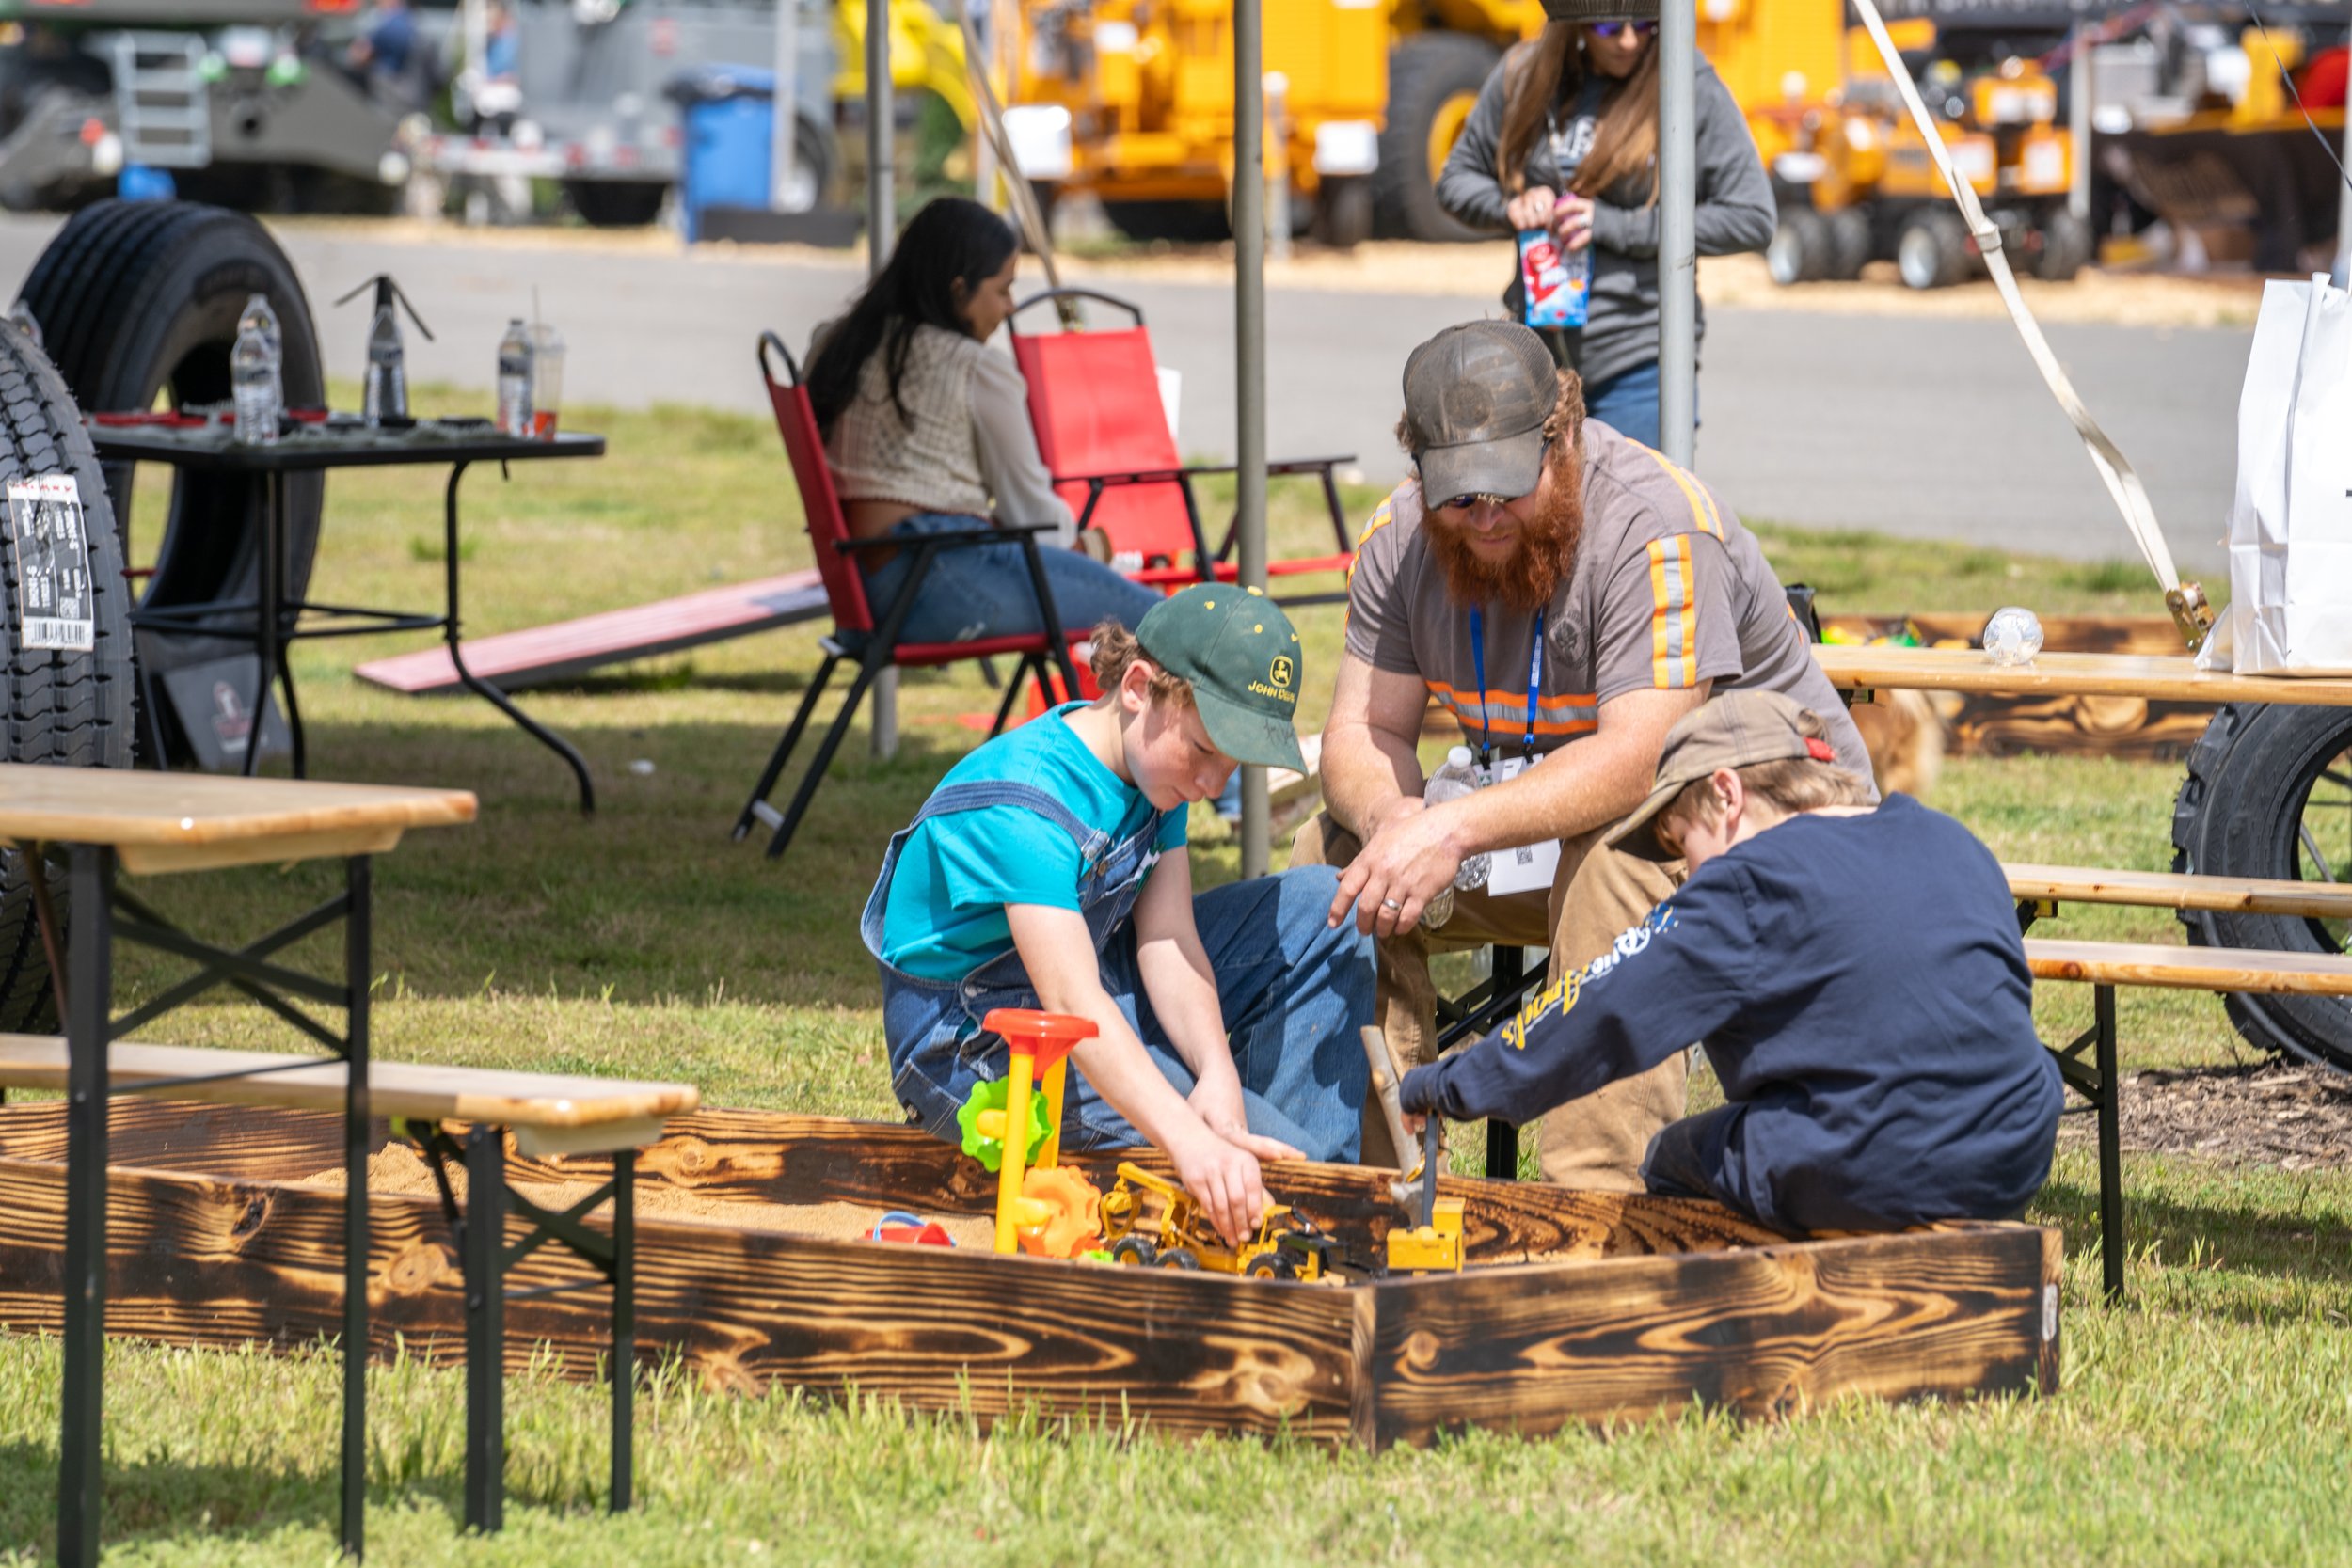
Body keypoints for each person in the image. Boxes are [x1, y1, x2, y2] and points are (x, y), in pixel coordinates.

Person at [1295, 318, 1871, 1184]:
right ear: (1416, 465)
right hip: (1551, 833)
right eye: (1458, 493)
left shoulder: (1658, 522)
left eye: (1505, 486)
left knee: (1616, 857)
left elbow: (1642, 759)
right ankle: (1386, 1183)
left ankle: (1594, 1211)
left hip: (1774, 830)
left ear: (1561, 438)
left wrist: (1451, 833)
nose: (1483, 515)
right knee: (1334, 860)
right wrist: (1394, 822)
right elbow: (1362, 732)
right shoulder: (1398, 537)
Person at [1399, 689, 2061, 1233]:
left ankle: (1740, 1311)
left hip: (1866, 1160)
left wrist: (1448, 1084)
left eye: (1680, 840)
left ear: (1726, 794)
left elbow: (1601, 1007)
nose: (1686, 870)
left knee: (1673, 1158)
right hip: (2014, 1147)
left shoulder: (1749, 881)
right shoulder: (1946, 837)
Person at [866, 585, 1374, 1244]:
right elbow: (1074, 1000)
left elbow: (1166, 937)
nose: (1214, 784)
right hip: (978, 1041)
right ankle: (1287, 1203)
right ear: (1139, 686)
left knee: (1325, 905)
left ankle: (1280, 1173)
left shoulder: (1156, 764)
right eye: (1205, 749)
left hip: (1087, 990)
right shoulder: (1025, 803)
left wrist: (1216, 1075)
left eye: (1232, 763)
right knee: (1245, 1156)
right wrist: (1188, 1138)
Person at [806, 197, 1162, 645]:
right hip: (936, 581)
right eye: (1003, 289)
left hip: (858, 590)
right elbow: (1031, 513)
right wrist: (1087, 548)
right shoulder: (973, 367)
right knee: (1167, 623)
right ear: (959, 290)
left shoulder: (833, 344)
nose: (1010, 306)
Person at [1434, 13, 1773, 449]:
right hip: (1536, 362)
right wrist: (1510, 207)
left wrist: (1614, 224)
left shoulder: (1688, 82)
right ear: (1574, 21)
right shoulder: (1524, 73)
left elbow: (1752, 216)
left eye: (1646, 23)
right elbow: (1456, 178)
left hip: (1640, 364)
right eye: (1609, 28)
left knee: (1633, 514)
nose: (1629, 40)